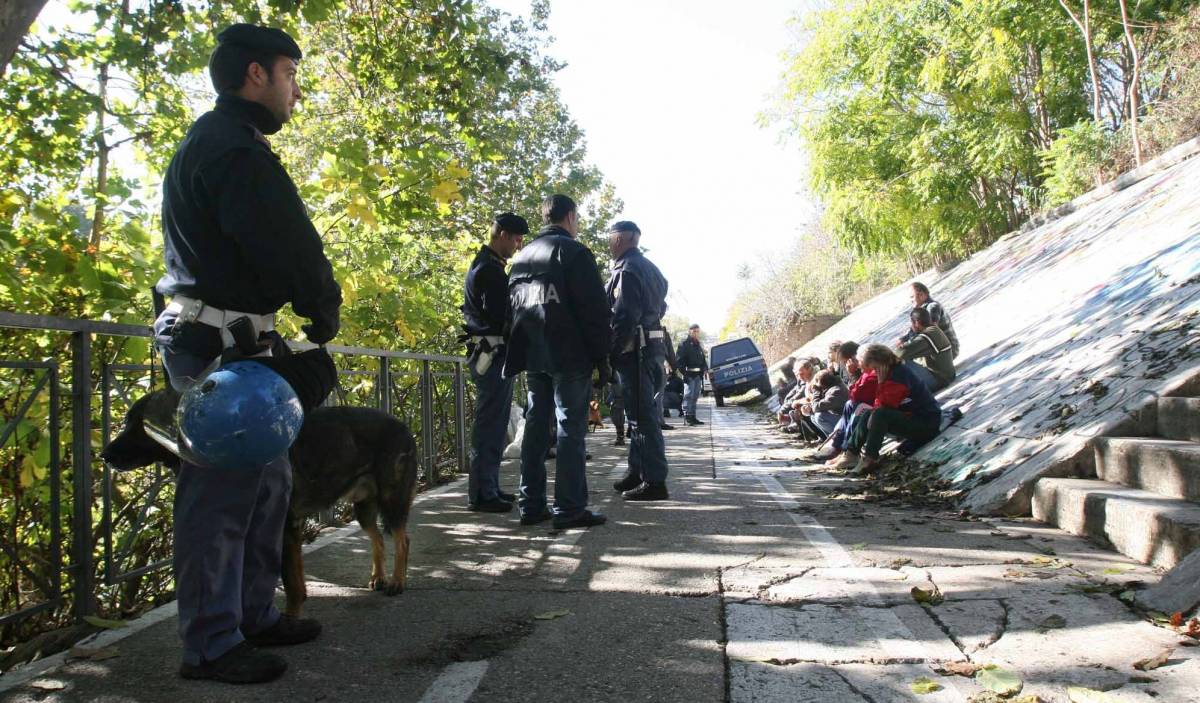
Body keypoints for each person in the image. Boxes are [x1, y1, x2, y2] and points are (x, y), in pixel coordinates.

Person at [153, 24, 341, 684]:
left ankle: (252, 613)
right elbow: (290, 243)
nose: (296, 91)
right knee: (220, 494)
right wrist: (324, 304)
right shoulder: (232, 151)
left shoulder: (221, 143)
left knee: (267, 481)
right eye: (291, 75)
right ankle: (209, 642)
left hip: (235, 342)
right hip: (215, 347)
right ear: (255, 75)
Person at [504, 194, 611, 529]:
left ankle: (531, 505)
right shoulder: (573, 252)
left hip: (534, 354)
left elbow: (514, 310)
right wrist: (601, 358)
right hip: (569, 355)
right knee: (570, 428)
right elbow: (594, 312)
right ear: (571, 216)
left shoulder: (522, 258)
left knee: (537, 426)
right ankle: (569, 508)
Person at [461, 212, 528, 513]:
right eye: (515, 238)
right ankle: (482, 494)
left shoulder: (487, 266)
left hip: (490, 352)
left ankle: (489, 487)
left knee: (494, 424)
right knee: (489, 426)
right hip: (492, 352)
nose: (518, 244)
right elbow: (499, 318)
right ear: (500, 234)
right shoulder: (489, 270)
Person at [606, 220, 672, 501]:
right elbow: (661, 305)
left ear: (620, 239)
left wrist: (611, 352)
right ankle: (637, 471)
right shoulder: (650, 268)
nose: (609, 244)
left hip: (635, 352)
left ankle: (654, 481)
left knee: (641, 418)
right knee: (639, 416)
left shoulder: (627, 270)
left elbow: (624, 316)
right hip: (651, 348)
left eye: (611, 239)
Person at [841, 344, 943, 475]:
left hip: (926, 424)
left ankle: (870, 458)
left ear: (877, 363)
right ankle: (851, 453)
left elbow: (885, 404)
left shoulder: (898, 375)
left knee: (880, 414)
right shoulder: (889, 372)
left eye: (872, 368)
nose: (861, 366)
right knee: (867, 413)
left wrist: (881, 382)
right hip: (913, 417)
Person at [897, 306, 956, 392]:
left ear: (916, 322)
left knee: (899, 363)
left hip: (940, 380)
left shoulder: (927, 336)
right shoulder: (933, 330)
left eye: (911, 323)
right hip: (946, 375)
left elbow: (901, 353)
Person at [898, 282, 960, 358]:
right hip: (939, 348)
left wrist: (908, 345)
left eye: (912, 297)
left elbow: (929, 331)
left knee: (904, 355)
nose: (911, 300)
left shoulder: (933, 307)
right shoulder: (921, 310)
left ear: (922, 295)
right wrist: (903, 340)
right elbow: (916, 331)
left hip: (948, 351)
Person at [798, 369, 848, 438]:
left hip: (846, 420)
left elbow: (817, 407)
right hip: (840, 417)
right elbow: (820, 404)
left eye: (818, 384)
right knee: (813, 416)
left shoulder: (836, 390)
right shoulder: (830, 388)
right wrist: (809, 407)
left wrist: (816, 391)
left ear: (822, 383)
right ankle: (832, 439)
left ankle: (841, 438)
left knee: (819, 416)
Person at [676, 324, 708, 426]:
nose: (696, 333)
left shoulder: (698, 344)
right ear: (689, 332)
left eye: (697, 331)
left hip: (698, 374)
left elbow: (703, 359)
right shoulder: (684, 344)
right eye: (694, 331)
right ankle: (687, 416)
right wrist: (685, 374)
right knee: (688, 396)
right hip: (689, 374)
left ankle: (693, 416)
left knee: (695, 396)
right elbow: (679, 361)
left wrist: (705, 369)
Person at [608, 377, 627, 446]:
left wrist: (608, 400)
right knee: (619, 419)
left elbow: (615, 391)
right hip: (621, 399)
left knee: (617, 419)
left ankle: (620, 438)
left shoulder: (615, 375)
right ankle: (620, 438)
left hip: (617, 400)